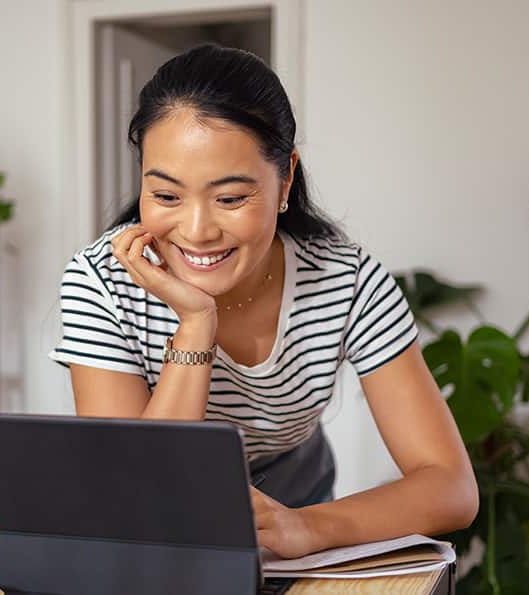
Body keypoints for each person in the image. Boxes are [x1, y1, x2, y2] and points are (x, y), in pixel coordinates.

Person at [50, 44, 478, 559]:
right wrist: (194, 323)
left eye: (230, 198)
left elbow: (451, 486)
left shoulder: (347, 279)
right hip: (153, 525)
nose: (196, 230)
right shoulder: (101, 279)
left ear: (285, 180)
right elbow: (142, 495)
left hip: (296, 499)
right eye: (166, 196)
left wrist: (305, 528)